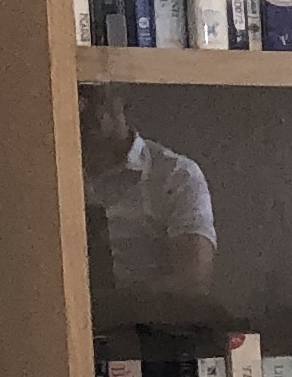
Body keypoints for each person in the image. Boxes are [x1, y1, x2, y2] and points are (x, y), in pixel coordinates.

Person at [80, 84, 216, 317]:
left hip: (153, 329)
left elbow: (193, 281)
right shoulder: (45, 177)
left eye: (98, 96)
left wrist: (114, 306)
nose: (87, 108)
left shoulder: (175, 175)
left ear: (122, 97)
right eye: (80, 96)